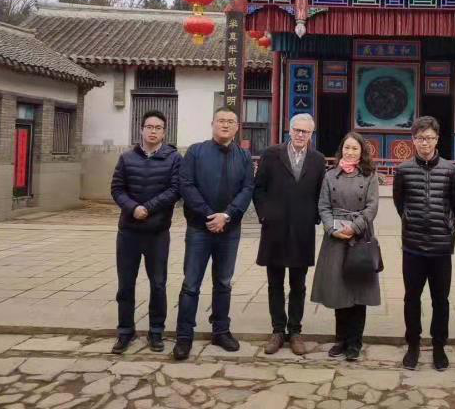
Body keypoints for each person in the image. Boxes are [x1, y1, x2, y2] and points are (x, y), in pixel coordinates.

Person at [173, 107, 254, 361]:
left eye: (230, 121)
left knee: (223, 282)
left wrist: (227, 215)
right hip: (200, 228)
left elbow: (247, 189)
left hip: (229, 230)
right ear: (212, 123)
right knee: (191, 283)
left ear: (237, 127)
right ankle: (184, 336)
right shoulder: (196, 151)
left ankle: (220, 330)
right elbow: (186, 185)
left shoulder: (244, 156)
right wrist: (210, 215)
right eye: (221, 120)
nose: (225, 125)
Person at [253, 113, 326, 356]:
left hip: (302, 230)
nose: (300, 135)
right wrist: (264, 214)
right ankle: (277, 330)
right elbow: (258, 188)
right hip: (274, 228)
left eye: (306, 131)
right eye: (297, 130)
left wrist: (314, 218)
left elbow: (320, 193)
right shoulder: (271, 154)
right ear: (290, 130)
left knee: (298, 284)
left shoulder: (317, 160)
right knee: (275, 282)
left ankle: (295, 331)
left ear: (311, 134)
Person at [393, 116, 455, 371]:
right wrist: (411, 220)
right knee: (412, 298)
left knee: (441, 299)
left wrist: (446, 226)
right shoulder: (404, 170)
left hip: (441, 247)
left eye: (430, 138)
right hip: (413, 247)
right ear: (413, 140)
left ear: (437, 139)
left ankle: (439, 346)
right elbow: (400, 204)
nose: (425, 143)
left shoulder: (451, 170)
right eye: (420, 138)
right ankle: (413, 345)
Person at [110, 110, 181, 354]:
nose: (153, 131)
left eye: (158, 127)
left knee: (158, 284)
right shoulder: (127, 158)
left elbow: (175, 190)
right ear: (141, 129)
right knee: (125, 285)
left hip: (157, 232)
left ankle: (156, 331)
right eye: (149, 127)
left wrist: (148, 208)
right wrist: (133, 208)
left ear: (164, 132)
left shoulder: (174, 158)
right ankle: (125, 331)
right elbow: (117, 189)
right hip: (128, 232)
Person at [310, 131, 381, 361]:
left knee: (358, 291)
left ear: (362, 152)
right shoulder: (330, 175)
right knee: (338, 289)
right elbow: (323, 206)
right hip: (336, 238)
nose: (350, 152)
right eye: (347, 148)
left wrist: (355, 227)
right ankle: (340, 339)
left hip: (359, 236)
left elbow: (372, 207)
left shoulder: (369, 175)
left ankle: (355, 342)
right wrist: (331, 228)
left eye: (355, 148)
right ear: (341, 150)